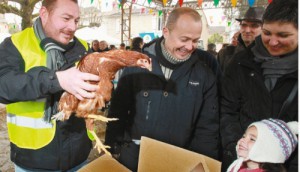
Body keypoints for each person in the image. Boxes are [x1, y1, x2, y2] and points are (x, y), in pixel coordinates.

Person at [105, 7, 220, 171]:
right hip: (133, 161)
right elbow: (118, 111)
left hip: (179, 163)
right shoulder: (137, 65)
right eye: (184, 39)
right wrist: (113, 148)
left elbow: (207, 128)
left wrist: (203, 164)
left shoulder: (204, 76)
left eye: (195, 41)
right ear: (166, 32)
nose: (189, 46)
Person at [0, 0, 100, 171]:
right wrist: (57, 80)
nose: (73, 27)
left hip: (78, 155)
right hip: (33, 159)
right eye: (66, 18)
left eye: (76, 20)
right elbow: (4, 85)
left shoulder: (83, 47)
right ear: (44, 14)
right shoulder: (16, 44)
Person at [220, 0, 298, 171]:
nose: (273, 42)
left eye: (283, 35)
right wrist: (240, 151)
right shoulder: (240, 63)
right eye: (267, 33)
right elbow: (227, 111)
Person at [227, 119, 298, 172]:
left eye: (252, 139)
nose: (242, 140)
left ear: (268, 150)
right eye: (243, 136)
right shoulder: (237, 167)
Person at [217, 6, 264, 72]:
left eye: (254, 26)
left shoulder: (269, 55)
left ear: (264, 29)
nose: (247, 30)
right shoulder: (225, 54)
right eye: (244, 25)